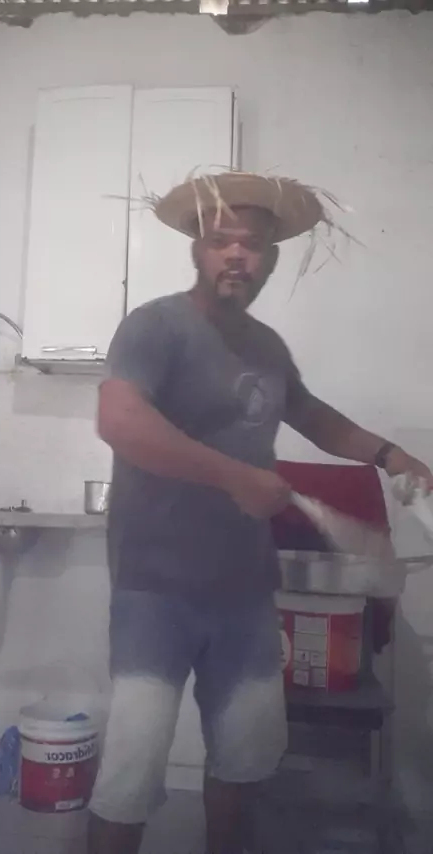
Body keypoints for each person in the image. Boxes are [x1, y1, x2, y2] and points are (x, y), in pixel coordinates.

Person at [87, 172, 432, 854]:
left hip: (245, 592)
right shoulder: (155, 326)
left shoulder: (268, 347)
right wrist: (234, 477)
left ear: (272, 258)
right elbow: (118, 420)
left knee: (245, 767)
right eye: (222, 241)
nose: (237, 255)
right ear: (198, 249)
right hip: (154, 589)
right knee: (129, 774)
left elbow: (311, 415)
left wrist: (390, 454)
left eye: (253, 244)